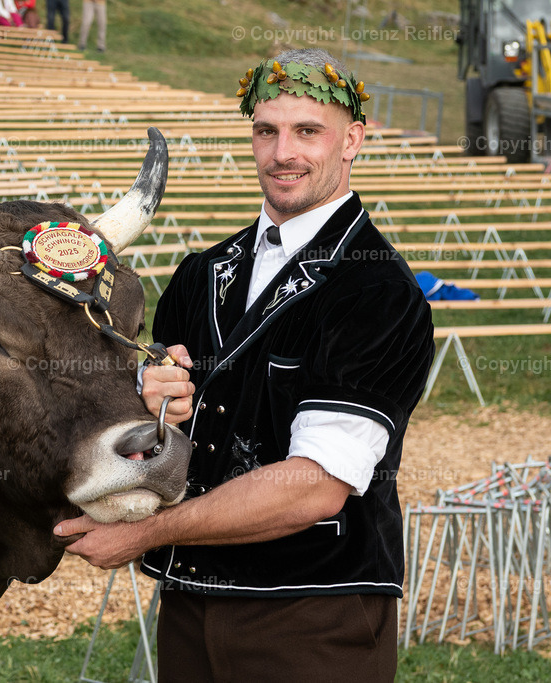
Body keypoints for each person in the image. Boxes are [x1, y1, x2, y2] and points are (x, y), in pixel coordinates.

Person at [55, 48, 434, 681]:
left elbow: (314, 487)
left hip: (314, 615)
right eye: (267, 130)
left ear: (352, 141)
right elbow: (161, 443)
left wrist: (144, 535)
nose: (283, 152)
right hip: (189, 603)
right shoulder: (200, 276)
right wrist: (147, 398)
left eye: (307, 131)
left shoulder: (378, 294)